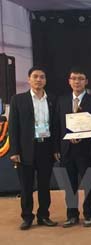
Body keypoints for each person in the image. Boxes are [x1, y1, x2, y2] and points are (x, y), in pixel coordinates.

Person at [9, 66, 58, 230]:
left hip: (46, 147)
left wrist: (56, 148)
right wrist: (14, 151)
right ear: (29, 79)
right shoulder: (18, 99)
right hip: (25, 149)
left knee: (44, 185)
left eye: (42, 77)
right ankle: (27, 217)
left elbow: (56, 126)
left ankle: (44, 215)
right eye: (35, 77)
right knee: (26, 186)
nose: (39, 80)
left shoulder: (52, 99)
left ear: (46, 80)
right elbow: (13, 127)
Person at [53, 67, 91, 228]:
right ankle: (72, 215)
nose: (77, 81)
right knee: (69, 184)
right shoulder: (62, 100)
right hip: (66, 150)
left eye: (80, 78)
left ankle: (89, 214)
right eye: (74, 78)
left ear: (86, 81)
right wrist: (56, 148)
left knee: (88, 183)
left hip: (86, 149)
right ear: (69, 81)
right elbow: (57, 125)